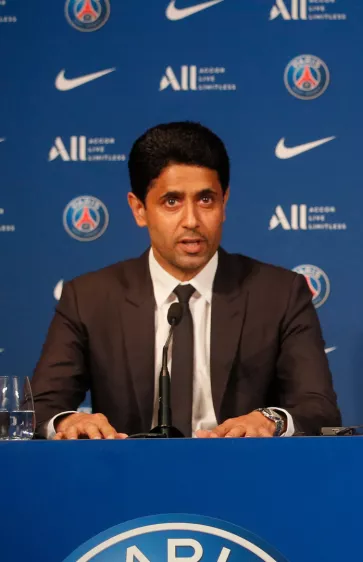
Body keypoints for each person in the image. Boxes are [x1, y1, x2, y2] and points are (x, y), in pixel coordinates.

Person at [32, 121, 342, 439]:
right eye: (172, 202)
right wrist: (66, 422)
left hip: (243, 476)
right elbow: (40, 408)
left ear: (224, 203)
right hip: (129, 480)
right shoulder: (89, 298)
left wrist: (269, 420)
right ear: (139, 209)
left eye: (206, 199)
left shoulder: (280, 293)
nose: (192, 220)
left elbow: (318, 409)